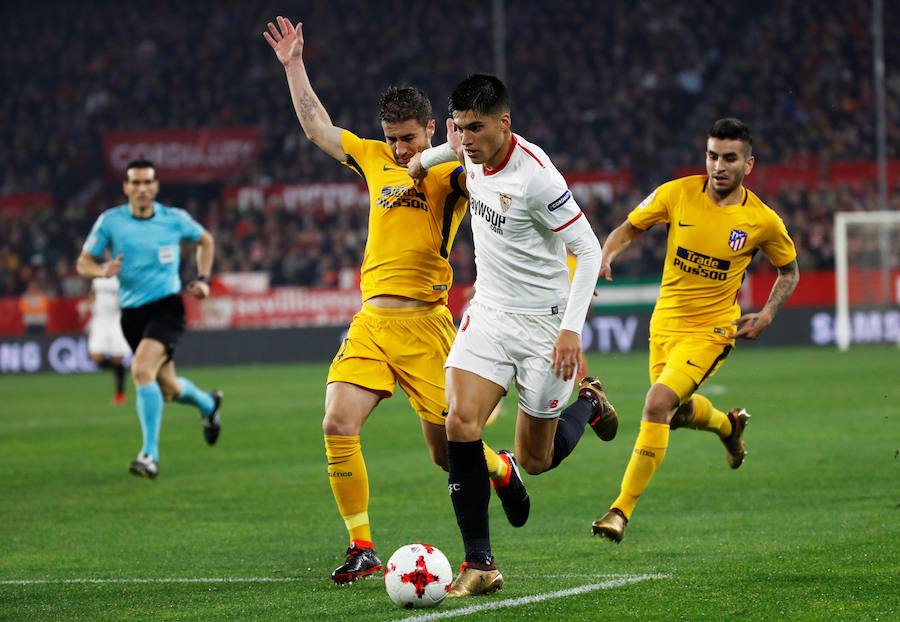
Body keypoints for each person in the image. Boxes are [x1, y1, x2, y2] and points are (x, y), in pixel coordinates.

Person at [263, 17, 521, 585]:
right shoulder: (374, 158)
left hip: (427, 327)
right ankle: (362, 546)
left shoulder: (449, 171)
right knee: (336, 420)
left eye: (409, 137)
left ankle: (502, 468)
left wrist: (461, 154)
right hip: (373, 324)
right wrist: (294, 65)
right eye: (393, 137)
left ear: (431, 129)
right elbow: (316, 126)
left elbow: (484, 177)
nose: (400, 147)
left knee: (445, 453)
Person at [410, 73, 618, 597]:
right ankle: (479, 563)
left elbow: (589, 251)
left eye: (476, 128)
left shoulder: (537, 178)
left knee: (535, 460)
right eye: (459, 128)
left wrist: (570, 331)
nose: (466, 139)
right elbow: (448, 151)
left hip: (544, 326)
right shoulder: (466, 149)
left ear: (505, 122)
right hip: (490, 313)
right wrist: (421, 161)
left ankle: (589, 406)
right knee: (459, 421)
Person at [590, 118, 799, 543]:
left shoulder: (762, 221)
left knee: (657, 403)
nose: (718, 166)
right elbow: (628, 228)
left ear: (749, 164)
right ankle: (728, 427)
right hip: (664, 325)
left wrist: (768, 313)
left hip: (712, 331)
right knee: (676, 414)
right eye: (712, 156)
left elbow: (789, 271)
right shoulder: (676, 194)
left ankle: (619, 511)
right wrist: (605, 255)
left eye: (729, 158)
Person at [77, 160, 223, 480]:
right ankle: (209, 404)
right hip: (132, 315)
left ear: (156, 186)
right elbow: (83, 262)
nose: (141, 189)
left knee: (141, 369)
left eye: (147, 183)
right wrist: (101, 271)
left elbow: (206, 241)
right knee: (168, 388)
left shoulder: (174, 219)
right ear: (126, 187)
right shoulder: (110, 222)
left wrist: (203, 279)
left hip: (167, 307)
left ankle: (149, 455)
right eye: (135, 183)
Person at [87, 275, 131, 404]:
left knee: (118, 358)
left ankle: (119, 394)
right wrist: (91, 304)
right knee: (96, 357)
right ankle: (121, 369)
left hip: (115, 320)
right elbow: (92, 293)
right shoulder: (97, 276)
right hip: (100, 320)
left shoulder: (121, 276)